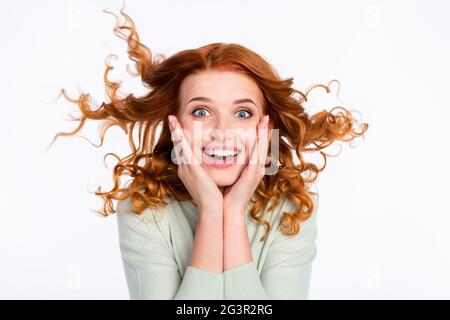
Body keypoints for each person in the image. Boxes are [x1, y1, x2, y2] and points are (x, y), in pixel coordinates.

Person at [49, 6, 368, 300]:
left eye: (242, 114)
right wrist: (214, 211)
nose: (221, 131)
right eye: (201, 112)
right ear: (175, 126)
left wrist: (233, 212)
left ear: (265, 127)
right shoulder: (144, 206)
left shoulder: (292, 206)